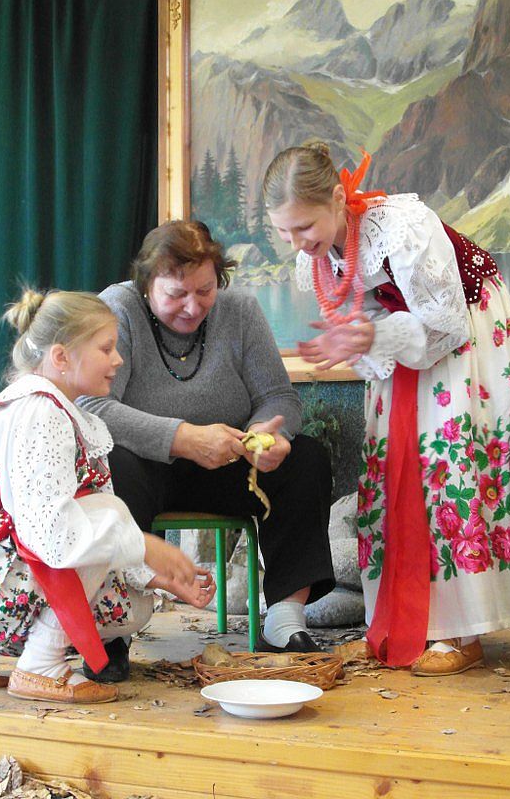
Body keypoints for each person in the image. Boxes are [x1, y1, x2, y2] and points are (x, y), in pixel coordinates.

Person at [263, 142, 510, 675]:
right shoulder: (323, 256)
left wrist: (371, 335)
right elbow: (372, 317)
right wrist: (360, 338)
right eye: (284, 232)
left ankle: (461, 631)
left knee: (444, 463)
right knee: (391, 470)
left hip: (462, 333)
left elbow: (445, 322)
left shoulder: (403, 227)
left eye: (303, 227)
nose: (297, 244)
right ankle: (398, 622)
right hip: (403, 343)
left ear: (337, 199)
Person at [0, 288, 211, 703]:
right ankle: (40, 666)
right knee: (110, 542)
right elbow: (53, 534)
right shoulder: (39, 412)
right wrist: (144, 545)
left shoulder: (57, 410)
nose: (117, 360)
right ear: (61, 357)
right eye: (106, 348)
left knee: (133, 594)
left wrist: (156, 576)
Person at [79, 220, 335, 668]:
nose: (193, 306)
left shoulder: (241, 311)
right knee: (112, 466)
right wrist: (183, 438)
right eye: (176, 294)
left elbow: (279, 397)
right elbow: (92, 408)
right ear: (145, 284)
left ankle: (284, 620)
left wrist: (266, 436)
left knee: (306, 458)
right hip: (146, 465)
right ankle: (111, 633)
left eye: (205, 290)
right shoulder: (117, 308)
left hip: (230, 462)